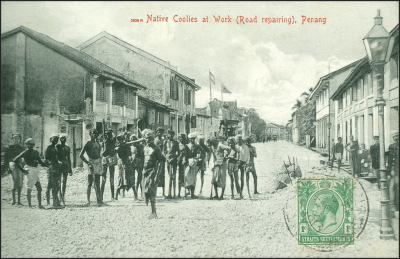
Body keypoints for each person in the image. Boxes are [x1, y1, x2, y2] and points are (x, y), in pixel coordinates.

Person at [14, 138, 47, 209]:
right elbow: (15, 160)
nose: (30, 146)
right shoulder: (25, 152)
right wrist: (22, 170)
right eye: (29, 144)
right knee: (29, 188)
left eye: (32, 144)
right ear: (26, 145)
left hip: (35, 170)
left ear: (33, 145)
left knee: (39, 188)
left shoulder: (36, 152)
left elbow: (40, 162)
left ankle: (39, 205)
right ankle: (30, 205)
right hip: (29, 170)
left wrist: (47, 164)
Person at [142, 129, 163, 219]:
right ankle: (152, 212)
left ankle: (153, 212)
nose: (147, 140)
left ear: (152, 139)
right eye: (146, 138)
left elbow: (161, 161)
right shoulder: (145, 148)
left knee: (151, 192)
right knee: (146, 192)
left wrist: (157, 175)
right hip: (145, 172)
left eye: (149, 138)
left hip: (152, 172)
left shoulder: (156, 149)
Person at [79, 129, 104, 206]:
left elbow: (99, 154)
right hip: (91, 162)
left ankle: (99, 200)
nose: (95, 135)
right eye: (94, 133)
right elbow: (81, 155)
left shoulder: (98, 143)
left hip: (98, 163)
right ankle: (88, 201)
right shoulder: (88, 143)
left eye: (96, 134)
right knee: (90, 182)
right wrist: (88, 163)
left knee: (97, 182)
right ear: (91, 134)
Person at [4, 133, 25, 205]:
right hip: (12, 165)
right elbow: (6, 159)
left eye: (18, 138)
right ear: (12, 139)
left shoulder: (22, 148)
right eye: (14, 138)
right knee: (14, 182)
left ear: (20, 139)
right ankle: (13, 201)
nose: (16, 139)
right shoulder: (9, 148)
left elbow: (24, 158)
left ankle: (19, 201)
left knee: (20, 183)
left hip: (20, 165)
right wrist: (7, 168)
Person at [115, 133, 135, 200]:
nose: (119, 141)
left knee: (130, 180)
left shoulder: (126, 145)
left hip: (127, 163)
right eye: (118, 140)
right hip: (121, 164)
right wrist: (119, 148)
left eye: (120, 139)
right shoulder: (118, 147)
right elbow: (118, 154)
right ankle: (116, 196)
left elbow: (129, 154)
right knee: (121, 180)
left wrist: (125, 146)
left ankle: (135, 196)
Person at [45, 134, 63, 208]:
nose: (55, 141)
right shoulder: (48, 148)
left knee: (56, 185)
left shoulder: (55, 148)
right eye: (54, 139)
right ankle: (49, 202)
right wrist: (51, 165)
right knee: (50, 185)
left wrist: (58, 163)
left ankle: (56, 201)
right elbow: (47, 159)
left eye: (56, 140)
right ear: (50, 139)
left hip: (56, 167)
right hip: (51, 168)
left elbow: (56, 158)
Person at [101, 130, 117, 201]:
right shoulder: (113, 141)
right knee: (111, 178)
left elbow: (105, 151)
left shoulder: (106, 142)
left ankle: (101, 196)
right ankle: (112, 196)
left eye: (107, 134)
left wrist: (101, 155)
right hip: (111, 159)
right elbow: (114, 137)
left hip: (106, 159)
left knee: (104, 178)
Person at [57, 134, 72, 203]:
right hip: (59, 165)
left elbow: (68, 158)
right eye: (61, 139)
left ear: (66, 140)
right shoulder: (57, 147)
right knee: (59, 181)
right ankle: (59, 196)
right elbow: (56, 156)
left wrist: (70, 169)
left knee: (64, 182)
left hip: (65, 165)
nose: (63, 140)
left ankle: (63, 196)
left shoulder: (67, 148)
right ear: (59, 140)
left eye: (64, 139)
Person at [185, 133, 202, 199]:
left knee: (194, 178)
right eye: (190, 139)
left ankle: (192, 194)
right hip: (187, 163)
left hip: (195, 162)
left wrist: (200, 160)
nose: (191, 140)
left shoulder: (197, 146)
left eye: (193, 139)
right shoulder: (186, 146)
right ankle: (187, 190)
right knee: (186, 176)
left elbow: (203, 152)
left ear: (195, 139)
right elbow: (184, 154)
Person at [163, 130, 179, 199]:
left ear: (173, 135)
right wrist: (166, 157)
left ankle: (174, 193)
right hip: (168, 161)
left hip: (174, 161)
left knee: (174, 176)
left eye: (171, 135)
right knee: (169, 177)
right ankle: (169, 193)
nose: (170, 136)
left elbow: (178, 153)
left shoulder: (176, 143)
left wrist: (174, 158)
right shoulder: (165, 142)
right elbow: (163, 152)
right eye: (169, 134)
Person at [387, 130, 399, 212]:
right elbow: (390, 160)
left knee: (397, 188)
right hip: (393, 171)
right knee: (391, 188)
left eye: (397, 136)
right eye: (394, 137)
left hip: (397, 171)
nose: (396, 138)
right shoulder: (391, 146)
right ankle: (392, 205)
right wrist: (388, 172)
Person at [130, 134, 144, 200]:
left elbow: (142, 155)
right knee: (133, 179)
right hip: (132, 163)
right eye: (132, 139)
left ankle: (142, 194)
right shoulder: (131, 147)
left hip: (139, 163)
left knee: (139, 179)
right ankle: (135, 195)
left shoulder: (140, 146)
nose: (133, 141)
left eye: (134, 139)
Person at [154, 127, 166, 197]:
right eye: (158, 132)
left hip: (161, 159)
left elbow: (164, 150)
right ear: (156, 132)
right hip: (155, 160)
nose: (159, 133)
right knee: (155, 175)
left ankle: (163, 193)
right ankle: (154, 192)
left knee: (162, 175)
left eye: (161, 132)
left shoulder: (163, 140)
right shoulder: (154, 140)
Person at [177, 133, 189, 198]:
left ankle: (185, 193)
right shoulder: (177, 145)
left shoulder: (186, 146)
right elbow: (177, 154)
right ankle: (178, 193)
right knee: (180, 178)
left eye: (182, 138)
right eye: (180, 138)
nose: (181, 139)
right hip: (180, 163)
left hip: (185, 163)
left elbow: (188, 154)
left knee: (185, 177)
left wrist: (185, 159)